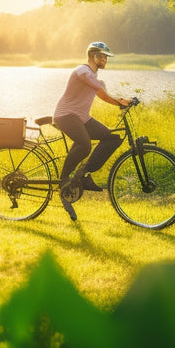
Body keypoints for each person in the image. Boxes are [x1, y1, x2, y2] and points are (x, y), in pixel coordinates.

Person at [54, 41, 130, 220]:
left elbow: (104, 94)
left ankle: (83, 174)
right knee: (84, 144)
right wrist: (119, 102)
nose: (105, 60)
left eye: (106, 57)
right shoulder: (83, 71)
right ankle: (64, 180)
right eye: (103, 56)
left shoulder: (95, 78)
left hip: (81, 117)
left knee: (112, 138)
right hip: (66, 115)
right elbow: (103, 94)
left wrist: (124, 100)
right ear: (94, 57)